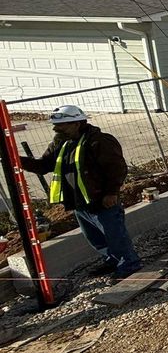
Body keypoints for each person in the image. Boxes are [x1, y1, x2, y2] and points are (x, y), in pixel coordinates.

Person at [20, 105, 142, 279]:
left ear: (77, 123)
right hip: (79, 202)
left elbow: (117, 169)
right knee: (95, 238)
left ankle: (129, 266)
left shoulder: (100, 141)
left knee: (114, 236)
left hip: (101, 200)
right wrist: (17, 160)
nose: (56, 128)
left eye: (61, 125)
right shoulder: (60, 142)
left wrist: (111, 193)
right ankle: (113, 261)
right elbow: (44, 166)